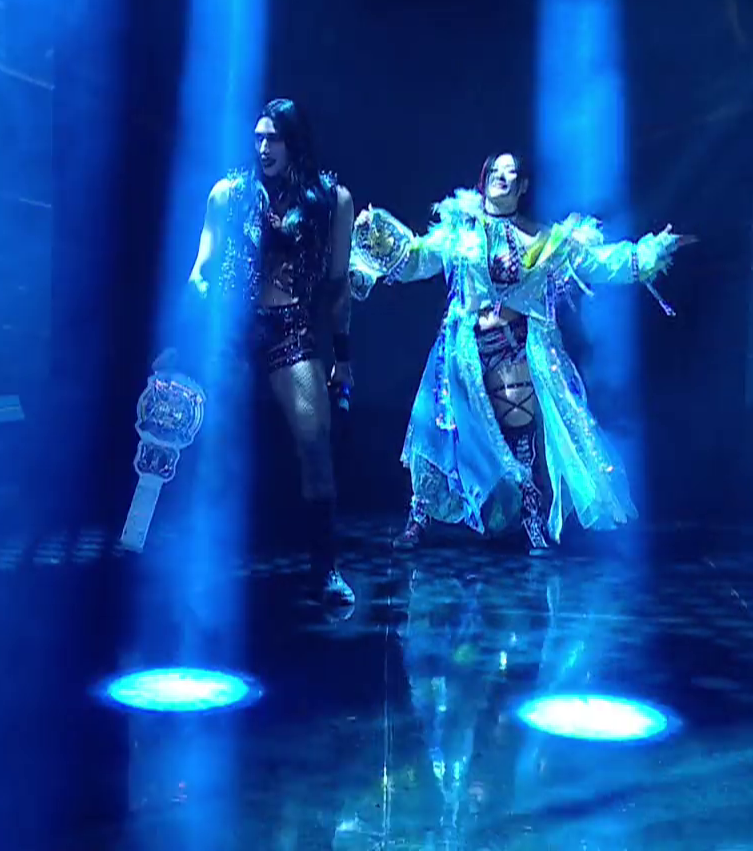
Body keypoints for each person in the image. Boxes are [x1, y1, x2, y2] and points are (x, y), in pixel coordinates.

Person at [349, 152, 694, 553]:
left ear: (523, 185)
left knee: (520, 430)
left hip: (518, 348)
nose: (501, 177)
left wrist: (652, 250)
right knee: (438, 433)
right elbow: (416, 258)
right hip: (462, 352)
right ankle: (419, 518)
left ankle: (530, 515)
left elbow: (598, 262)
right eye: (494, 171)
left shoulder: (546, 240)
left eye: (510, 172)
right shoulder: (460, 232)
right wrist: (376, 234)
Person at [184, 98, 357, 603]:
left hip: (292, 326)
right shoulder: (229, 193)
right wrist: (194, 316)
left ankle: (325, 567)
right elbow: (200, 268)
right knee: (214, 440)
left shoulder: (332, 200)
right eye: (258, 138)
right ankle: (204, 562)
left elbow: (338, 286)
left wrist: (343, 357)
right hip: (235, 327)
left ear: (293, 141)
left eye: (273, 138)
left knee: (315, 442)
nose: (263, 148)